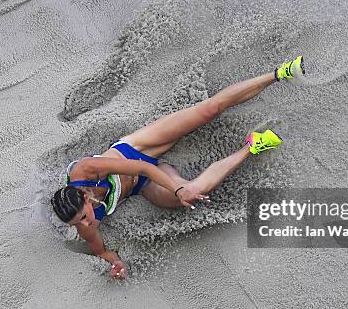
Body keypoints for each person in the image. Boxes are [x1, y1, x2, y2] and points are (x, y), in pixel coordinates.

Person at [51, 57, 305, 278]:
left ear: (85, 196)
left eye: (83, 216)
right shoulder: (87, 227)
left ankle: (279, 73)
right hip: (142, 186)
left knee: (208, 110)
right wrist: (117, 265)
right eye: (77, 224)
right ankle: (252, 145)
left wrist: (175, 189)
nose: (85, 224)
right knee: (193, 192)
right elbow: (103, 251)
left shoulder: (85, 170)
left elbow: (143, 168)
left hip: (137, 151)